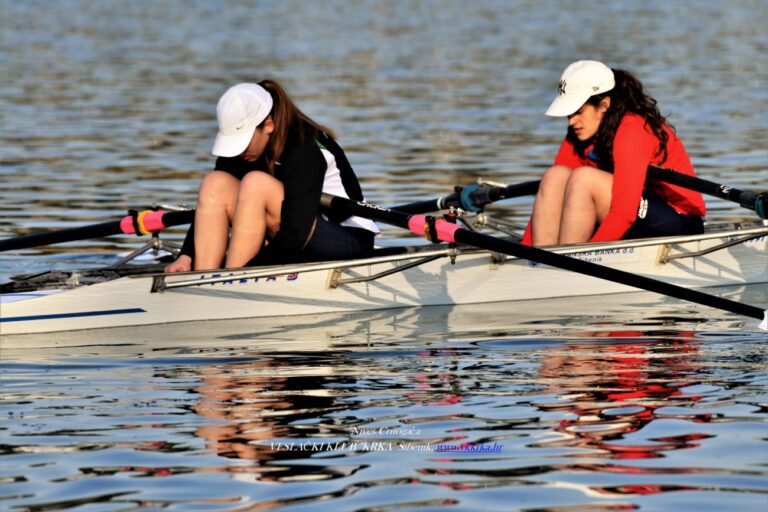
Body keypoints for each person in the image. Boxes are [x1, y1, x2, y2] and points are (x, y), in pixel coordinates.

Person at [165, 80, 378, 272]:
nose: (239, 151)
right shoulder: (244, 151)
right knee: (215, 183)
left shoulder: (303, 146)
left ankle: (235, 280)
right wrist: (187, 255)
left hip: (347, 237)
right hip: (291, 233)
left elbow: (296, 232)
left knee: (255, 184)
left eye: (243, 141)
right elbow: (211, 207)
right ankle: (204, 277)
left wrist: (255, 266)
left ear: (268, 125)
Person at [521, 60, 706, 246]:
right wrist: (524, 251)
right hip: (632, 214)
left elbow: (624, 212)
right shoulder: (580, 134)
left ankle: (570, 263)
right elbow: (549, 201)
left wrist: (589, 258)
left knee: (584, 179)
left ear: (604, 105)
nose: (571, 122)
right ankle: (538, 260)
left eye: (578, 112)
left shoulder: (633, 130)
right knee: (555, 176)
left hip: (679, 219)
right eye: (569, 114)